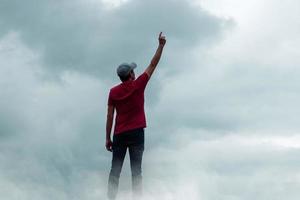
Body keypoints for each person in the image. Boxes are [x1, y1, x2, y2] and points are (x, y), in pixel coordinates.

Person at [105, 32, 166, 200]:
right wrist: (161, 46)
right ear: (131, 75)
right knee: (136, 171)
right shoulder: (138, 85)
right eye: (133, 71)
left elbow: (110, 116)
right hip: (137, 133)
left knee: (115, 170)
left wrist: (107, 138)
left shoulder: (113, 92)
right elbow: (153, 64)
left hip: (119, 134)